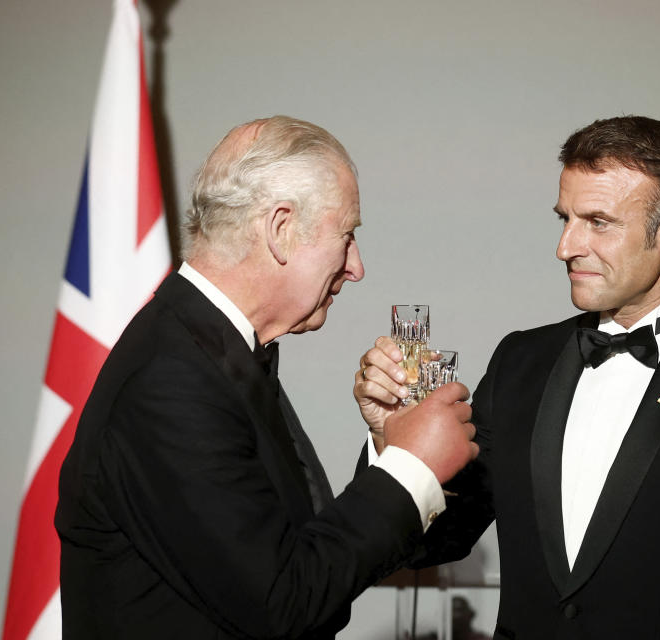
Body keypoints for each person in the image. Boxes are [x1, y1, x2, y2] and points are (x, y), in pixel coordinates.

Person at [354, 116, 660, 638]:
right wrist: (392, 440)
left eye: (598, 222)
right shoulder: (520, 361)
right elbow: (436, 540)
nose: (566, 247)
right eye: (565, 219)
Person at [55, 116, 477, 640]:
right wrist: (410, 466)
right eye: (346, 236)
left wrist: (391, 445)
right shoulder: (173, 379)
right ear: (280, 229)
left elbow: (302, 552)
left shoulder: (213, 350)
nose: (356, 266)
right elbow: (284, 602)